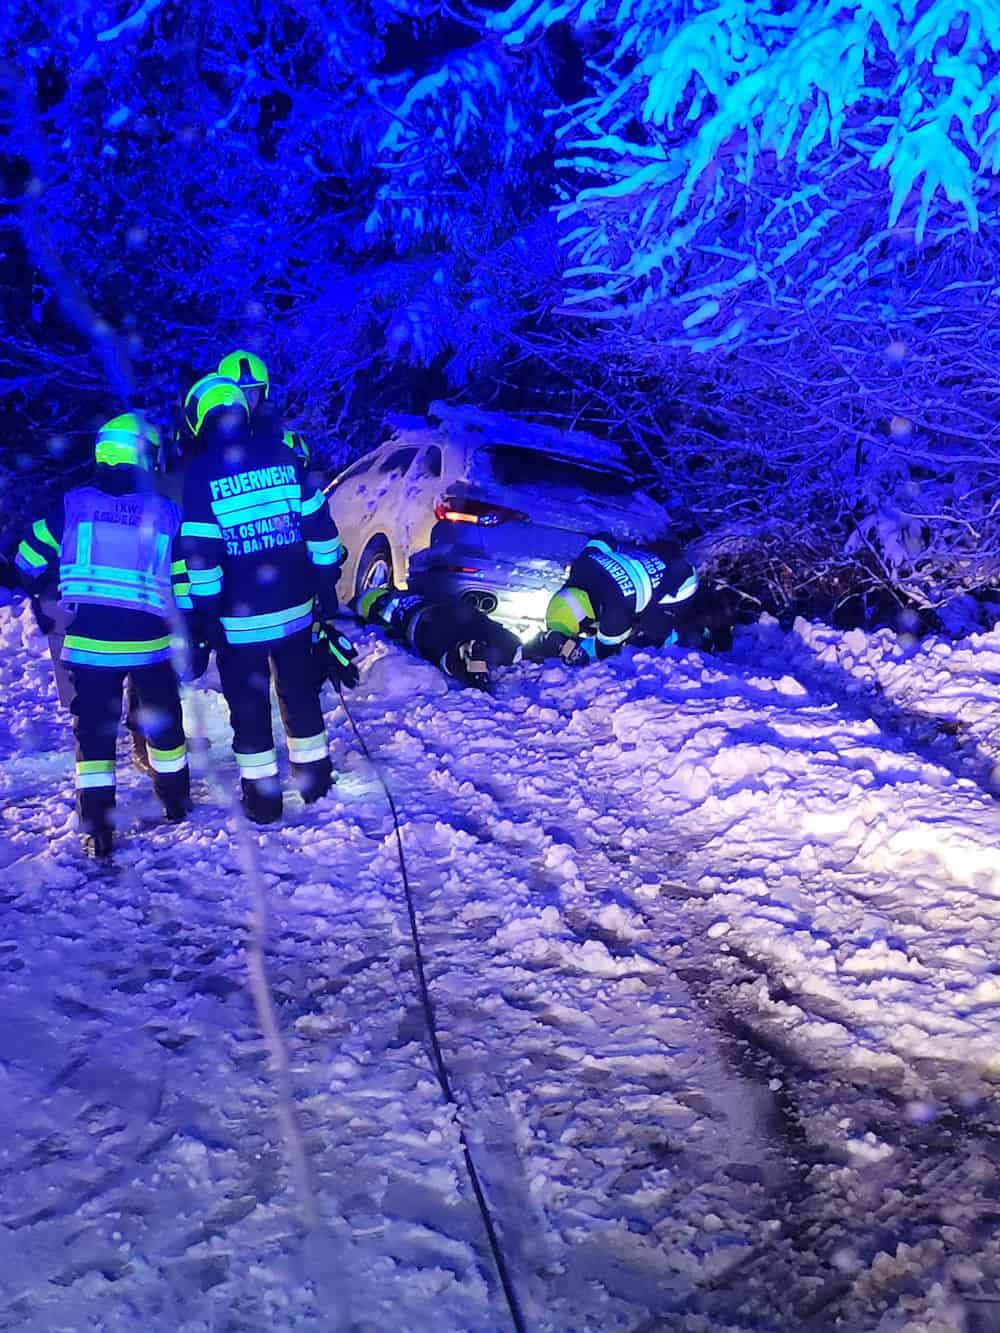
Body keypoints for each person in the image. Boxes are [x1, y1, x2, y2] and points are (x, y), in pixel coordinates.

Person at [13, 413, 192, 857]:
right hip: (150, 646)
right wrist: (192, 627)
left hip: (89, 647)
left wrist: (45, 589)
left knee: (94, 739)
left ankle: (97, 828)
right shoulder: (166, 512)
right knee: (164, 727)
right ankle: (175, 802)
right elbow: (183, 580)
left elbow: (26, 558)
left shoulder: (72, 506)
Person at [180, 373, 349, 824]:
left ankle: (262, 800)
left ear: (199, 419)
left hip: (240, 623)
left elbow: (202, 556)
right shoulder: (282, 455)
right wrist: (325, 582)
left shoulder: (201, 474)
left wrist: (205, 615)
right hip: (295, 611)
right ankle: (315, 781)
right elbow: (321, 529)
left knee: (250, 709)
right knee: (300, 696)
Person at [544, 536, 699, 660]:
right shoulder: (582, 564)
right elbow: (603, 538)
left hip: (680, 583)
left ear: (586, 619)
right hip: (658, 559)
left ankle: (686, 636)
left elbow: (605, 652)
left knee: (647, 637)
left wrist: (579, 646)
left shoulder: (615, 616)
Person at [353, 586, 522, 689]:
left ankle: (466, 657)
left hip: (422, 622)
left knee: (443, 651)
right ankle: (514, 648)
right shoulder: (408, 593)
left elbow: (390, 633)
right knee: (489, 630)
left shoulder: (383, 612)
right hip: (455, 610)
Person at [217, 349, 283, 449]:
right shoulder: (210, 431)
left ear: (263, 394)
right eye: (241, 392)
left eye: (254, 391)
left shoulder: (272, 430)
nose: (248, 399)